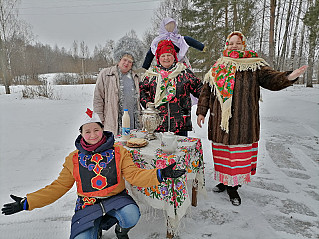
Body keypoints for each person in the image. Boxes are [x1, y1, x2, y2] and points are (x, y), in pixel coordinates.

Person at [1, 108, 186, 239]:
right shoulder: (73, 159)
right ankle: (94, 227)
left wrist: (160, 174)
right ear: (81, 134)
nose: (92, 134)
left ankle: (121, 231)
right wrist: (28, 202)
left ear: (102, 130)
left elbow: (134, 176)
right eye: (87, 131)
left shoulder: (119, 152)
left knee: (131, 214)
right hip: (87, 204)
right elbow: (57, 187)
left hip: (116, 198)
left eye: (96, 130)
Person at [196, 31, 308, 206]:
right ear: (226, 45)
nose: (234, 46)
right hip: (221, 122)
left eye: (237, 43)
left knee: (237, 156)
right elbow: (207, 90)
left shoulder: (254, 65)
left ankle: (234, 188)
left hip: (244, 121)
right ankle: (225, 182)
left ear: (244, 45)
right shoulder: (218, 66)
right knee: (223, 154)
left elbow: (271, 79)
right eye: (231, 43)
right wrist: (202, 111)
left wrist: (288, 77)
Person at [140, 40, 203, 136]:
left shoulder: (184, 73)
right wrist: (147, 103)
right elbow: (142, 91)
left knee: (180, 150)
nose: (166, 58)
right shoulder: (151, 75)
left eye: (169, 55)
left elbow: (201, 91)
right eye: (163, 55)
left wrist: (203, 108)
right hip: (157, 125)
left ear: (174, 56)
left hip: (180, 126)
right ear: (158, 58)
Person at [94, 35, 145, 136]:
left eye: (130, 61)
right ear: (119, 58)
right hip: (113, 124)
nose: (126, 63)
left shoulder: (136, 77)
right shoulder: (106, 74)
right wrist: (100, 120)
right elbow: (98, 99)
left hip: (133, 123)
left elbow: (141, 100)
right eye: (125, 59)